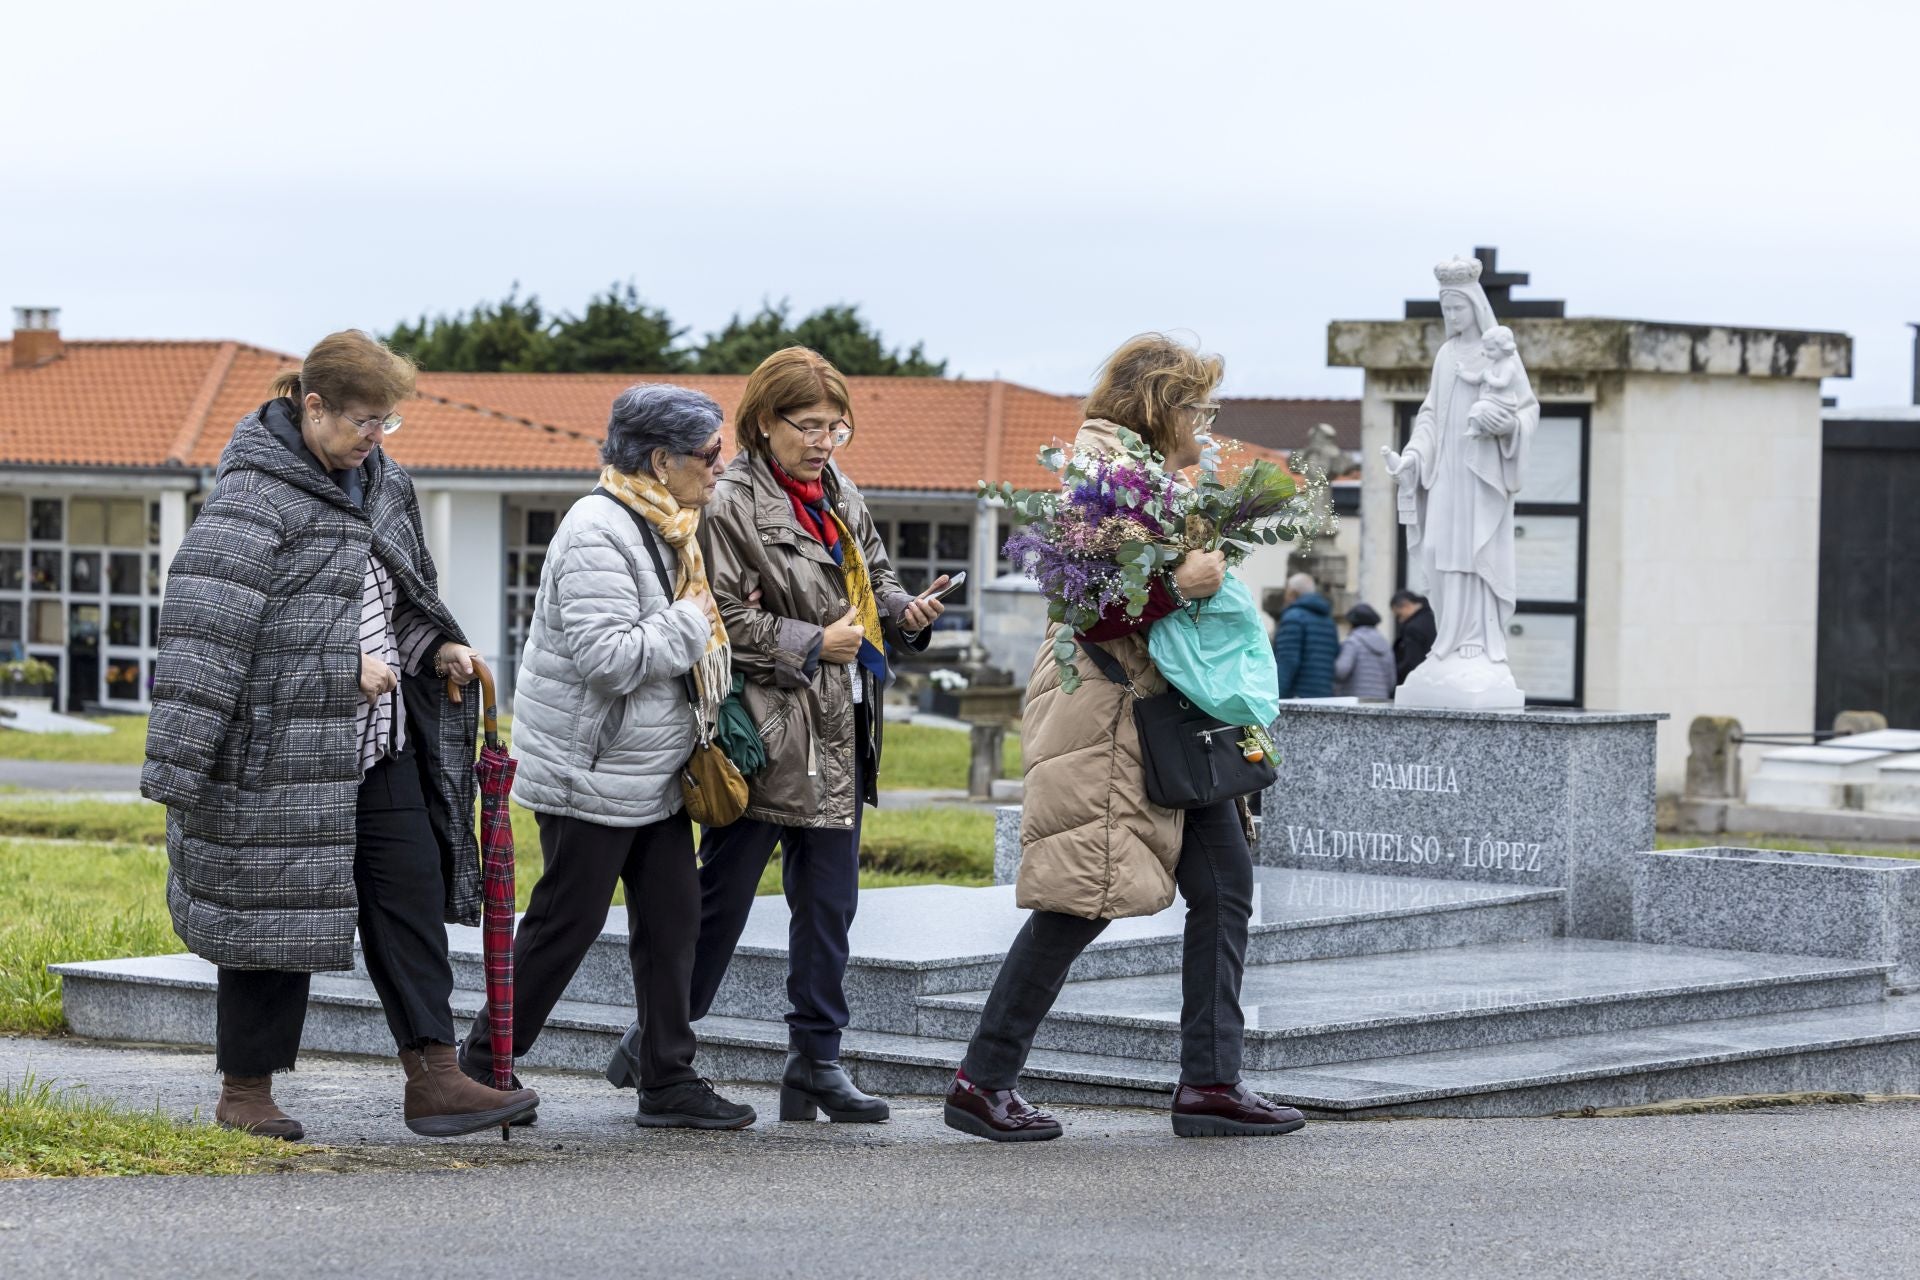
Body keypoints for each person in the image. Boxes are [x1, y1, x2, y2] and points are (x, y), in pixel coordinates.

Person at [142, 330, 538, 1141]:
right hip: (280, 758)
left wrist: (437, 647)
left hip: (379, 746)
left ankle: (435, 1079)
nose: (375, 437)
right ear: (313, 406)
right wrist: (336, 669)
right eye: (364, 420)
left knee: (411, 900)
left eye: (387, 422)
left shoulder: (385, 483)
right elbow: (207, 635)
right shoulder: (252, 498)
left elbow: (398, 601)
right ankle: (246, 1093)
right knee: (272, 920)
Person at [944, 333, 1307, 1143]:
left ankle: (1210, 1084)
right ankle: (981, 1081)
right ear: (1160, 406)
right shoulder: (1100, 477)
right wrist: (1179, 584)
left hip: (1169, 716)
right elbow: (1081, 605)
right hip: (1109, 718)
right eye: (1199, 407)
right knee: (1084, 898)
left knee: (1226, 886)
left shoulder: (1153, 481)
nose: (1207, 423)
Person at [606, 347, 943, 1124]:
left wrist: (904, 611)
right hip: (764, 732)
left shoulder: (839, 492)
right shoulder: (729, 502)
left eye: (837, 427)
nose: (824, 441)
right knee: (718, 904)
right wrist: (812, 641)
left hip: (841, 727)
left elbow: (875, 577)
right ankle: (656, 1045)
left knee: (830, 907)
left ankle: (816, 1063)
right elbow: (715, 614)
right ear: (764, 422)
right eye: (809, 425)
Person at [459, 385, 755, 1131]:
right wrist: (693, 622)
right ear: (660, 461)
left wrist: (697, 624)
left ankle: (667, 1080)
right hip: (590, 768)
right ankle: (481, 1069)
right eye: (709, 454)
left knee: (674, 922)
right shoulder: (597, 530)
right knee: (566, 924)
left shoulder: (670, 525)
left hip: (651, 768)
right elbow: (609, 660)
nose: (721, 466)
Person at [1271, 571, 1337, 698]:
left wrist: (1276, 696)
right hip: (1324, 695)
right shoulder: (1329, 621)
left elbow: (1287, 660)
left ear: (1292, 593)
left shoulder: (1293, 618)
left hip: (1297, 696)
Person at [1457, 324, 1522, 438]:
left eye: (1490, 349)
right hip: (1491, 399)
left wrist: (1489, 377)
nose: (1486, 353)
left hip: (1503, 401)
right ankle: (1479, 429)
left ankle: (1476, 429)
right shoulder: (1492, 365)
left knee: (1478, 408)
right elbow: (1476, 378)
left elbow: (1502, 383)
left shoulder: (1509, 366)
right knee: (1479, 408)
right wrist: (1462, 373)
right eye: (1485, 349)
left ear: (1504, 348)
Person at [1333, 602, 1396, 699]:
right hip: (1380, 701)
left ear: (1352, 623)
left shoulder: (1352, 642)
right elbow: (1392, 681)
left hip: (1354, 701)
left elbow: (1341, 672)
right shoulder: (1386, 646)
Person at [1390, 589, 1436, 685]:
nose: (1399, 620)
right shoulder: (1433, 618)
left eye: (1399, 615)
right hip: (1432, 676)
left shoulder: (1413, 628)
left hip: (1415, 681)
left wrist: (1396, 674)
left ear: (1406, 605)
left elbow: (1411, 661)